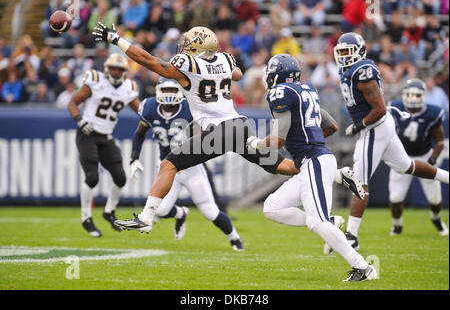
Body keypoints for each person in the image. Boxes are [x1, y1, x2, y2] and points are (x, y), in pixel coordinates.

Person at [92, 23, 364, 233]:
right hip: (239, 128)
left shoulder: (189, 64)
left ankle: (147, 218)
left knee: (169, 164)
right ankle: (339, 174)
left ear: (200, 48)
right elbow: (237, 74)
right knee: (285, 167)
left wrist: (116, 39)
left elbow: (151, 62)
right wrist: (214, 68)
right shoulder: (225, 60)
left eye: (189, 44)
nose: (184, 48)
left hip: (220, 131)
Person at [247, 54, 377, 282]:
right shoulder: (306, 90)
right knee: (272, 207)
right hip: (311, 162)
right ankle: (336, 187)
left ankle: (364, 268)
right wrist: (305, 142)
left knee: (317, 222)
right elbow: (332, 126)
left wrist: (254, 143)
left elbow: (277, 141)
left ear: (278, 75)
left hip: (314, 161)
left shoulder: (282, 93)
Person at [332, 32, 449, 251]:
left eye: (348, 51)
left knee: (360, 180)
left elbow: (379, 109)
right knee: (407, 166)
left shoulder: (363, 71)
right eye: (342, 52)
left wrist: (359, 125)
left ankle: (352, 236)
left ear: (359, 51)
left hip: (374, 127)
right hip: (378, 126)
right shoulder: (349, 70)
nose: (345, 56)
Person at [129, 78, 244, 250]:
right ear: (159, 90)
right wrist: (134, 158)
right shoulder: (149, 108)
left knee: (210, 211)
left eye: (173, 90)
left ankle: (235, 238)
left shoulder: (189, 107)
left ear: (180, 92)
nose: (169, 94)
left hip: (190, 167)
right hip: (167, 168)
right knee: (159, 210)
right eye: (166, 90)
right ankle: (181, 213)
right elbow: (140, 133)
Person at [67, 53, 141, 237]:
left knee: (120, 177)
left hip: (106, 136)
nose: (116, 72)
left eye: (120, 69)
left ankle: (109, 211)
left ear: (125, 71)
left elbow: (141, 111)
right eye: (113, 68)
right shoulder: (95, 80)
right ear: (107, 69)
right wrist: (79, 120)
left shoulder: (128, 89)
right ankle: (86, 218)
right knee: (92, 178)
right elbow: (73, 103)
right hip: (87, 133)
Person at [387, 79, 448, 236]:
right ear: (404, 95)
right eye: (410, 94)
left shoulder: (432, 113)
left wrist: (432, 159)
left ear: (423, 96)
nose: (413, 98)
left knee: (434, 199)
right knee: (395, 197)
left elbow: (440, 141)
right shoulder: (396, 108)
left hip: (424, 156)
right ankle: (397, 225)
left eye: (417, 94)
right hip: (402, 157)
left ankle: (436, 219)